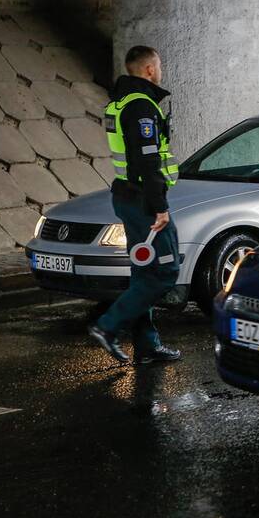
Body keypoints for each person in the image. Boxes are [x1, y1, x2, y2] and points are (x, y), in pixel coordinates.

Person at [88, 45, 182, 365]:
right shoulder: (141, 107)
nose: (161, 71)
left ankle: (147, 345)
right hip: (144, 201)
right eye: (159, 65)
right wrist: (159, 207)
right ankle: (107, 326)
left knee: (143, 273)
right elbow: (147, 160)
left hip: (128, 196)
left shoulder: (120, 102)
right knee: (165, 273)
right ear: (148, 70)